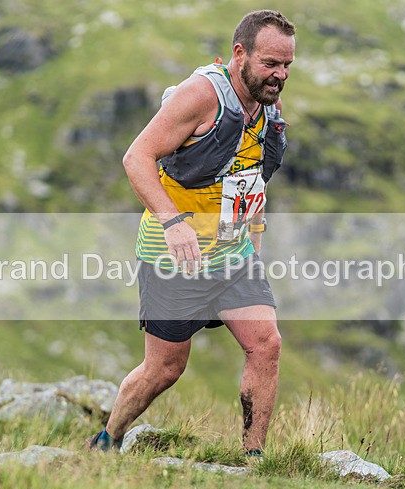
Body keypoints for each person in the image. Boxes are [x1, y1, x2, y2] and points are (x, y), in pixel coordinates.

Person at [86, 10, 295, 456]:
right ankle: (108, 438)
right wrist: (172, 221)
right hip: (173, 253)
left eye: (287, 66)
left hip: (232, 253)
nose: (279, 75)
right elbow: (136, 158)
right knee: (163, 369)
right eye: (270, 64)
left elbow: (251, 179)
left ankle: (253, 459)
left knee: (266, 344)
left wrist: (254, 242)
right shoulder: (199, 96)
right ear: (240, 54)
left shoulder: (267, 104)